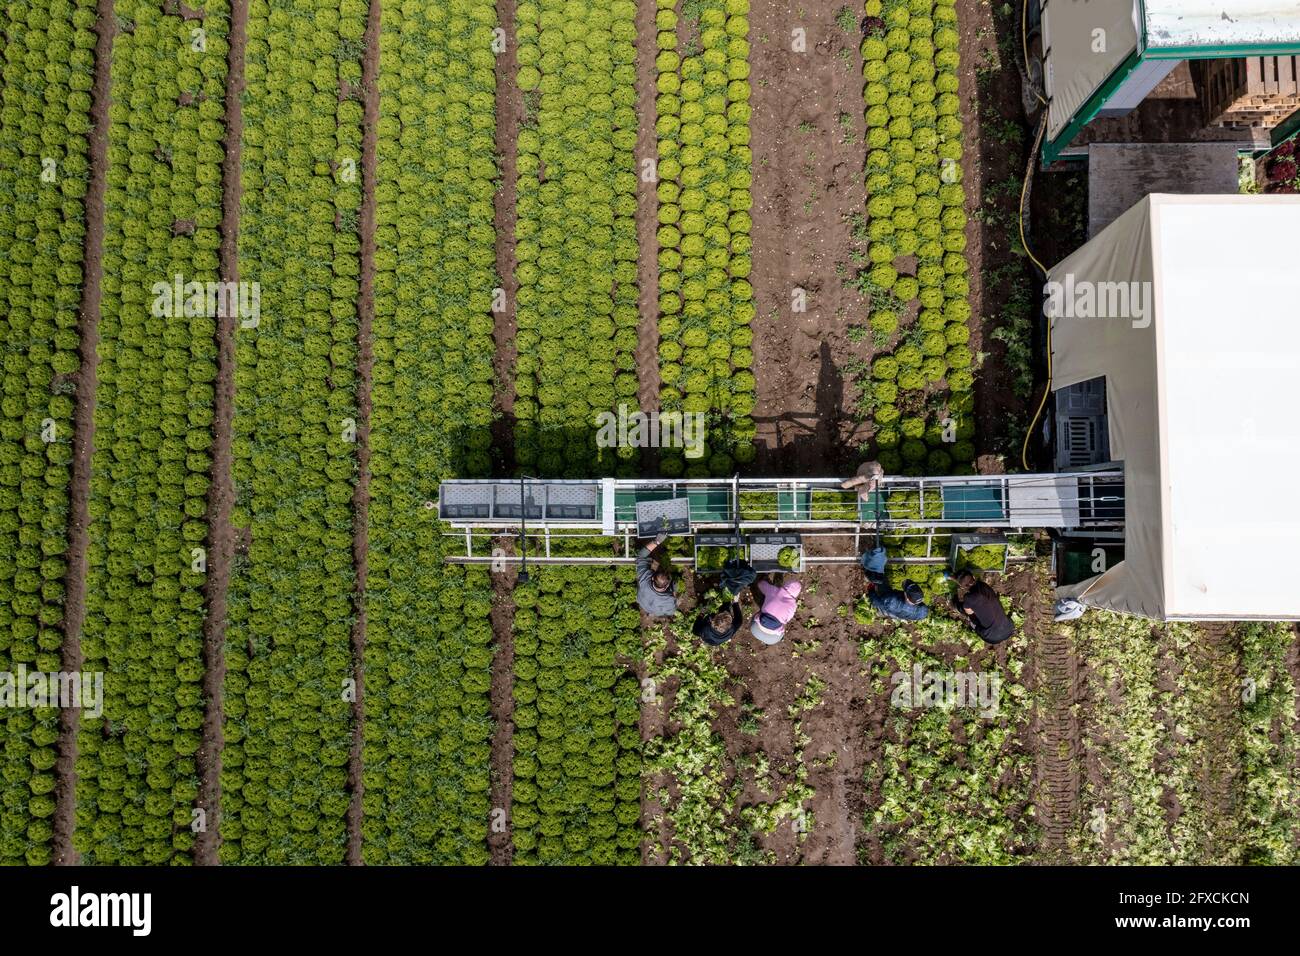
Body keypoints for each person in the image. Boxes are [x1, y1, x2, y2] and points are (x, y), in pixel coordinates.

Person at [859, 545, 929, 621]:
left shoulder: (891, 601)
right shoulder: (923, 612)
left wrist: (871, 591)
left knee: (880, 581)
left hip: (891, 606)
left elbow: (877, 602)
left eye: (905, 591)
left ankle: (870, 573)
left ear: (908, 599)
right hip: (902, 612)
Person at [953, 570, 1014, 644]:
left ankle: (953, 604)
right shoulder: (983, 586)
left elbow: (969, 613)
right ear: (973, 577)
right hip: (1009, 627)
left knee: (972, 619)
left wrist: (960, 606)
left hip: (992, 637)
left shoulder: (969, 598)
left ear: (962, 587)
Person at [750, 573, 802, 645]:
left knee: (764, 605)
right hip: (772, 639)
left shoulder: (774, 591)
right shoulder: (793, 605)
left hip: (756, 628)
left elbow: (761, 585)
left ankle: (755, 582)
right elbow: (786, 620)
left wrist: (761, 582)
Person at [635, 531, 677, 618]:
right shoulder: (670, 601)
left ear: (652, 578)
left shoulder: (645, 580)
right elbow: (673, 594)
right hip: (648, 605)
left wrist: (657, 541)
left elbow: (641, 556)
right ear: (666, 586)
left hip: (646, 603)